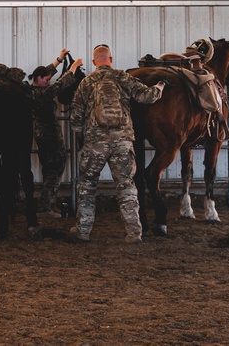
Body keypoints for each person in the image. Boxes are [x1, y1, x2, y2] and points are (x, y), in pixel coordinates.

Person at [67, 44, 166, 243]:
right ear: (110, 59)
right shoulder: (122, 77)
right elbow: (147, 96)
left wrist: (84, 137)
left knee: (87, 185)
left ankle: (83, 231)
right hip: (123, 142)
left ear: (94, 62)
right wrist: (160, 86)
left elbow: (75, 118)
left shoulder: (86, 82)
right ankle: (134, 233)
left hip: (95, 144)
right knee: (126, 186)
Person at [29, 48, 83, 218]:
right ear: (39, 79)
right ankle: (45, 207)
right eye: (47, 79)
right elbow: (61, 85)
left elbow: (47, 72)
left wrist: (59, 60)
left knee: (49, 169)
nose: (49, 81)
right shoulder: (42, 94)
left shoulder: (33, 89)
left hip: (43, 138)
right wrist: (73, 67)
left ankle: (50, 203)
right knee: (56, 168)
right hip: (50, 137)